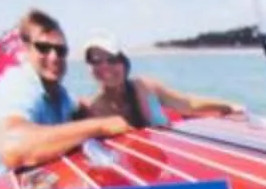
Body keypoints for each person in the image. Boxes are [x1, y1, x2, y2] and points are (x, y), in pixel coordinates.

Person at [0, 10, 131, 173]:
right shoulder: (17, 84)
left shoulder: (59, 93)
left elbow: (80, 107)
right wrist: (101, 126)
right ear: (27, 50)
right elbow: (13, 148)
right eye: (43, 48)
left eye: (61, 50)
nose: (54, 57)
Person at [77, 35, 242, 130]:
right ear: (89, 68)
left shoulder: (146, 87)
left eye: (112, 59)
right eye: (96, 60)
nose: (105, 67)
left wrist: (228, 106)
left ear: (124, 63)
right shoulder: (89, 108)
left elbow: (187, 104)